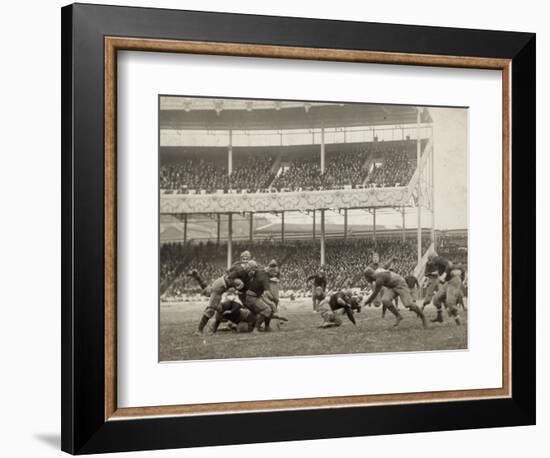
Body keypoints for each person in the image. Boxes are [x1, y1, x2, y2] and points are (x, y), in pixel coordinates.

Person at [244, 261, 277, 331]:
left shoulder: (260, 271)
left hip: (252, 297)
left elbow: (252, 270)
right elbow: (267, 293)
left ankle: (267, 327)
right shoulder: (265, 278)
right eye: (274, 273)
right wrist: (274, 299)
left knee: (271, 306)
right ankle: (256, 328)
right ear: (270, 271)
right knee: (267, 309)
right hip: (251, 298)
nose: (274, 275)